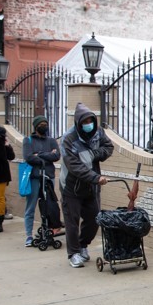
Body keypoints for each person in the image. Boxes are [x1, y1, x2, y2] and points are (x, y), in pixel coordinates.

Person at [60, 103, 114, 268]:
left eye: (91, 120)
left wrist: (93, 155)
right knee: (72, 221)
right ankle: (74, 253)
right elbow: (75, 166)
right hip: (71, 187)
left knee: (94, 218)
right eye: (85, 122)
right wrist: (95, 177)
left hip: (91, 188)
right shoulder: (68, 139)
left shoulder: (98, 133)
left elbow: (109, 147)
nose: (88, 124)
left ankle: (83, 245)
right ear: (78, 123)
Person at [22, 115, 63, 247]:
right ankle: (28, 235)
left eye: (46, 123)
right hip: (34, 176)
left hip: (48, 176)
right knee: (31, 205)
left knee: (49, 204)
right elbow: (28, 157)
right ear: (36, 126)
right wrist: (47, 155)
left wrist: (38, 154)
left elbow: (56, 156)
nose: (44, 126)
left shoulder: (51, 140)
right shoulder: (28, 140)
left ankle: (49, 229)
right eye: (42, 124)